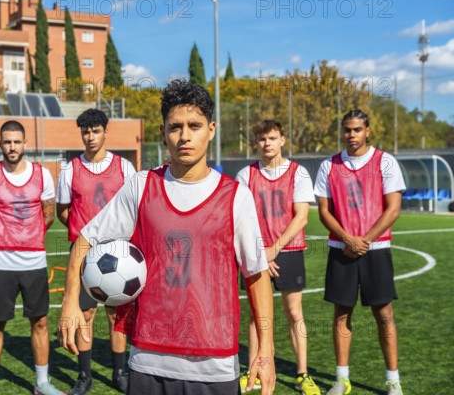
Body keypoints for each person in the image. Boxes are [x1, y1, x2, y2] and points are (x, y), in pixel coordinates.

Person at [58, 79, 276, 395]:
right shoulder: (141, 185)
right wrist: (69, 303)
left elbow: (256, 275)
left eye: (194, 125)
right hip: (148, 361)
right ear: (163, 134)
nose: (184, 135)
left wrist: (265, 351)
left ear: (211, 130)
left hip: (215, 365)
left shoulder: (236, 195)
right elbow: (85, 240)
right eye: (175, 127)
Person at [314, 110, 405, 395]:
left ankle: (393, 380)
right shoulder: (329, 165)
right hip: (341, 249)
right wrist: (347, 239)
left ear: (368, 130)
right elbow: (324, 211)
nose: (351, 135)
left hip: (376, 249)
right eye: (346, 130)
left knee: (385, 315)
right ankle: (342, 379)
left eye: (356, 129)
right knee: (341, 314)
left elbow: (393, 209)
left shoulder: (385, 161)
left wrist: (364, 240)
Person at [0, 121, 63, 395]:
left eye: (17, 141)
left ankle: (42, 383)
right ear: (0, 144)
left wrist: (30, 235)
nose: (12, 146)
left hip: (34, 261)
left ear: (25, 144)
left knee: (41, 322)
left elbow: (48, 213)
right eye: (7, 142)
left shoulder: (42, 175)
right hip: (0, 262)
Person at [236, 120, 320, 395]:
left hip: (289, 251)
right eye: (262, 139)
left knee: (294, 312)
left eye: (272, 138)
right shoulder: (245, 175)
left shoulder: (298, 173)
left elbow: (301, 217)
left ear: (282, 139)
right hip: (255, 253)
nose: (267, 143)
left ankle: (302, 374)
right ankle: (254, 371)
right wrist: (261, 252)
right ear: (256, 143)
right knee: (256, 315)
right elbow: (241, 220)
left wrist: (275, 249)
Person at [56, 108, 136, 394]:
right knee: (85, 315)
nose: (90, 137)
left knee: (116, 316)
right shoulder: (70, 169)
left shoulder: (125, 167)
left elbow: (133, 208)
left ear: (105, 131)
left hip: (118, 256)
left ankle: (119, 372)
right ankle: (84, 376)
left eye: (95, 131)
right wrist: (85, 234)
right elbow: (62, 211)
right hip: (84, 256)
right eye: (85, 132)